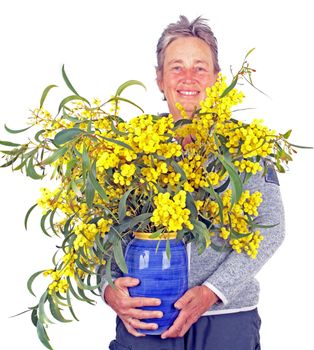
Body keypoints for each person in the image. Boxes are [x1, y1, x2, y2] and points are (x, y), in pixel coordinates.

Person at [101, 15, 285, 350]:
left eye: (200, 67)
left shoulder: (247, 147)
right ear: (159, 79)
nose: (189, 77)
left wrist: (213, 291)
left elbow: (271, 228)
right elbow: (100, 227)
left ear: (217, 78)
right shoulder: (127, 147)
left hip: (227, 320)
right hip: (145, 318)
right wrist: (108, 287)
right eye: (176, 67)